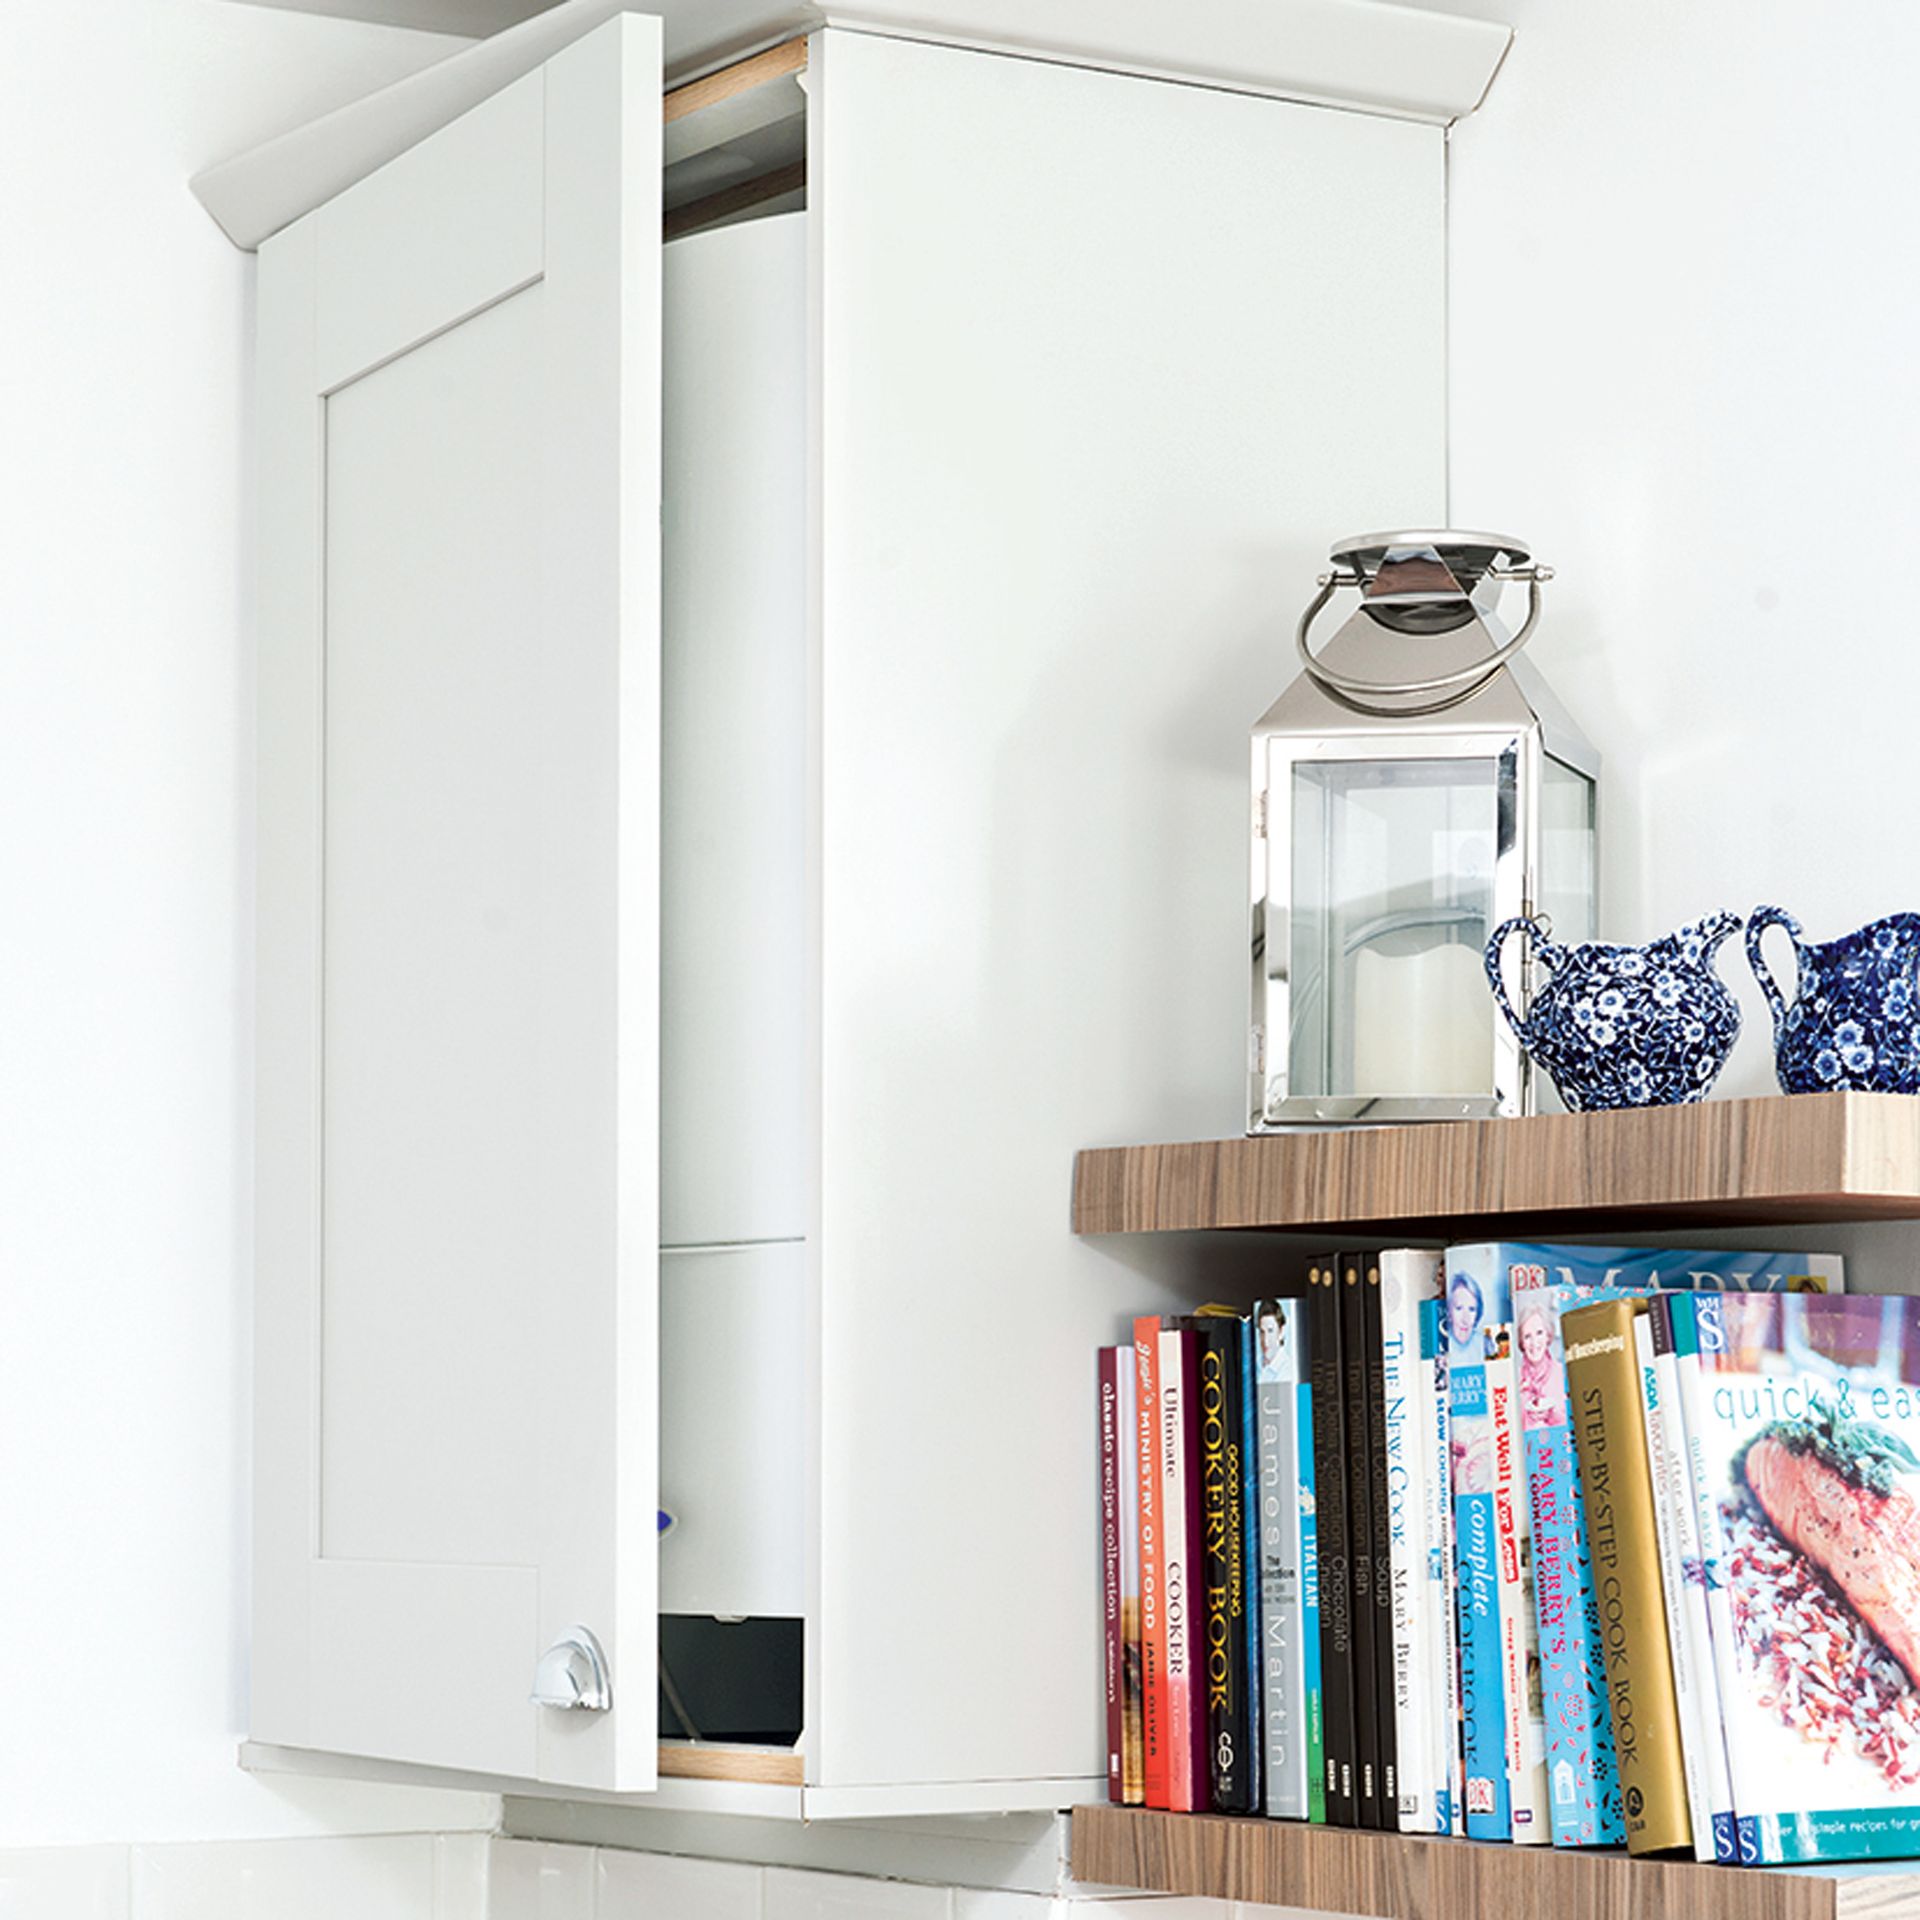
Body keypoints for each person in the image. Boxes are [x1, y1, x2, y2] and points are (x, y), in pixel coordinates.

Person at [1518, 1303, 1565, 1425]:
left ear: (1548, 1336)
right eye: (1527, 1336)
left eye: (1539, 1333)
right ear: (1521, 1343)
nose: (1534, 1342)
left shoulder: (1563, 1374)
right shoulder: (1514, 1380)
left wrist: (1552, 1414)